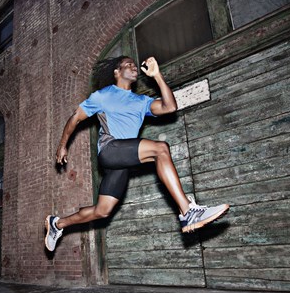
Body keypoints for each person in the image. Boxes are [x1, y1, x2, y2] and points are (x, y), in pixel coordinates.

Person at [45, 56, 229, 252]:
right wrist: (62, 145)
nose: (134, 67)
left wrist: (157, 76)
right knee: (160, 149)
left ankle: (57, 224)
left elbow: (170, 107)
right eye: (128, 64)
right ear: (117, 72)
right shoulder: (104, 95)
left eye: (135, 64)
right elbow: (76, 118)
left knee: (102, 211)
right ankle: (187, 211)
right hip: (110, 150)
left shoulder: (141, 101)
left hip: (122, 163)